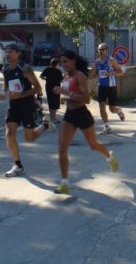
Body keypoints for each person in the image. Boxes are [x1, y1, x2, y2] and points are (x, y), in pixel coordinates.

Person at [52, 50, 120, 194]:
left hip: (82, 114)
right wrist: (65, 99)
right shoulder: (66, 76)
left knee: (93, 145)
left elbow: (86, 99)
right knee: (62, 147)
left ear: (73, 61)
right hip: (69, 115)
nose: (63, 65)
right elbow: (71, 95)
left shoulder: (80, 76)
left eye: (65, 62)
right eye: (61, 62)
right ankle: (64, 183)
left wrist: (66, 94)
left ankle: (109, 156)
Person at [0, 44, 55, 178]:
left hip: (27, 105)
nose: (8, 54)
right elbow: (6, 84)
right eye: (6, 52)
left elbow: (38, 89)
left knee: (29, 139)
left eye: (11, 52)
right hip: (13, 106)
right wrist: (3, 92)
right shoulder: (5, 68)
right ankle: (18, 165)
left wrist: (21, 94)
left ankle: (45, 125)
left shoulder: (25, 68)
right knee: (9, 133)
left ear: (18, 54)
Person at [91, 43, 125, 135]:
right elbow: (94, 74)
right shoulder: (96, 61)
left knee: (112, 109)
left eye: (103, 49)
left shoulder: (111, 60)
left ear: (106, 50)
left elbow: (121, 72)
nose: (101, 51)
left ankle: (119, 111)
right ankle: (106, 126)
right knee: (102, 106)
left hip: (111, 87)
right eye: (99, 49)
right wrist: (93, 74)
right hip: (101, 86)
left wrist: (112, 73)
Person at [40, 58, 63, 123]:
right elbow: (61, 80)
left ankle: (51, 117)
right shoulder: (58, 71)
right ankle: (54, 118)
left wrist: (47, 79)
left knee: (50, 101)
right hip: (56, 88)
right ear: (57, 64)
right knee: (55, 102)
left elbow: (41, 76)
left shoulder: (47, 69)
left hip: (48, 87)